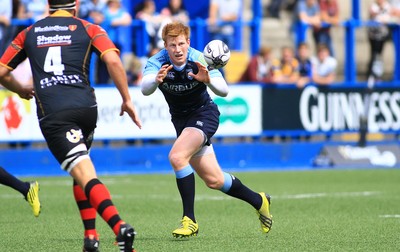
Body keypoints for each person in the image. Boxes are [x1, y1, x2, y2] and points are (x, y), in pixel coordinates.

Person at [0, 0, 142, 251]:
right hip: (86, 109)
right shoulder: (90, 28)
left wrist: (20, 89)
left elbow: (1, 71)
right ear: (75, 4)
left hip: (56, 114)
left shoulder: (29, 32)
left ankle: (119, 227)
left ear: (48, 5)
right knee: (81, 167)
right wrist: (127, 99)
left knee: (84, 173)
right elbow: (114, 61)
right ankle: (90, 237)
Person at [140, 22, 272, 238]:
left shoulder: (200, 59)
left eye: (181, 43)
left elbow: (224, 91)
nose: (178, 49)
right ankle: (260, 201)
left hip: (204, 114)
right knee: (215, 180)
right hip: (181, 122)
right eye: (172, 45)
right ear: (165, 45)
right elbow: (145, 89)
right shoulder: (157, 62)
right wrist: (155, 80)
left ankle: (189, 220)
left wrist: (208, 79)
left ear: (188, 42)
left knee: (176, 156)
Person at [367, 0, 392, 80]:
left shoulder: (387, 6)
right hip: (373, 36)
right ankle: (371, 74)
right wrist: (380, 10)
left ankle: (377, 75)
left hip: (382, 36)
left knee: (379, 55)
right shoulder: (374, 6)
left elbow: (388, 17)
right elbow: (372, 13)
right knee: (374, 55)